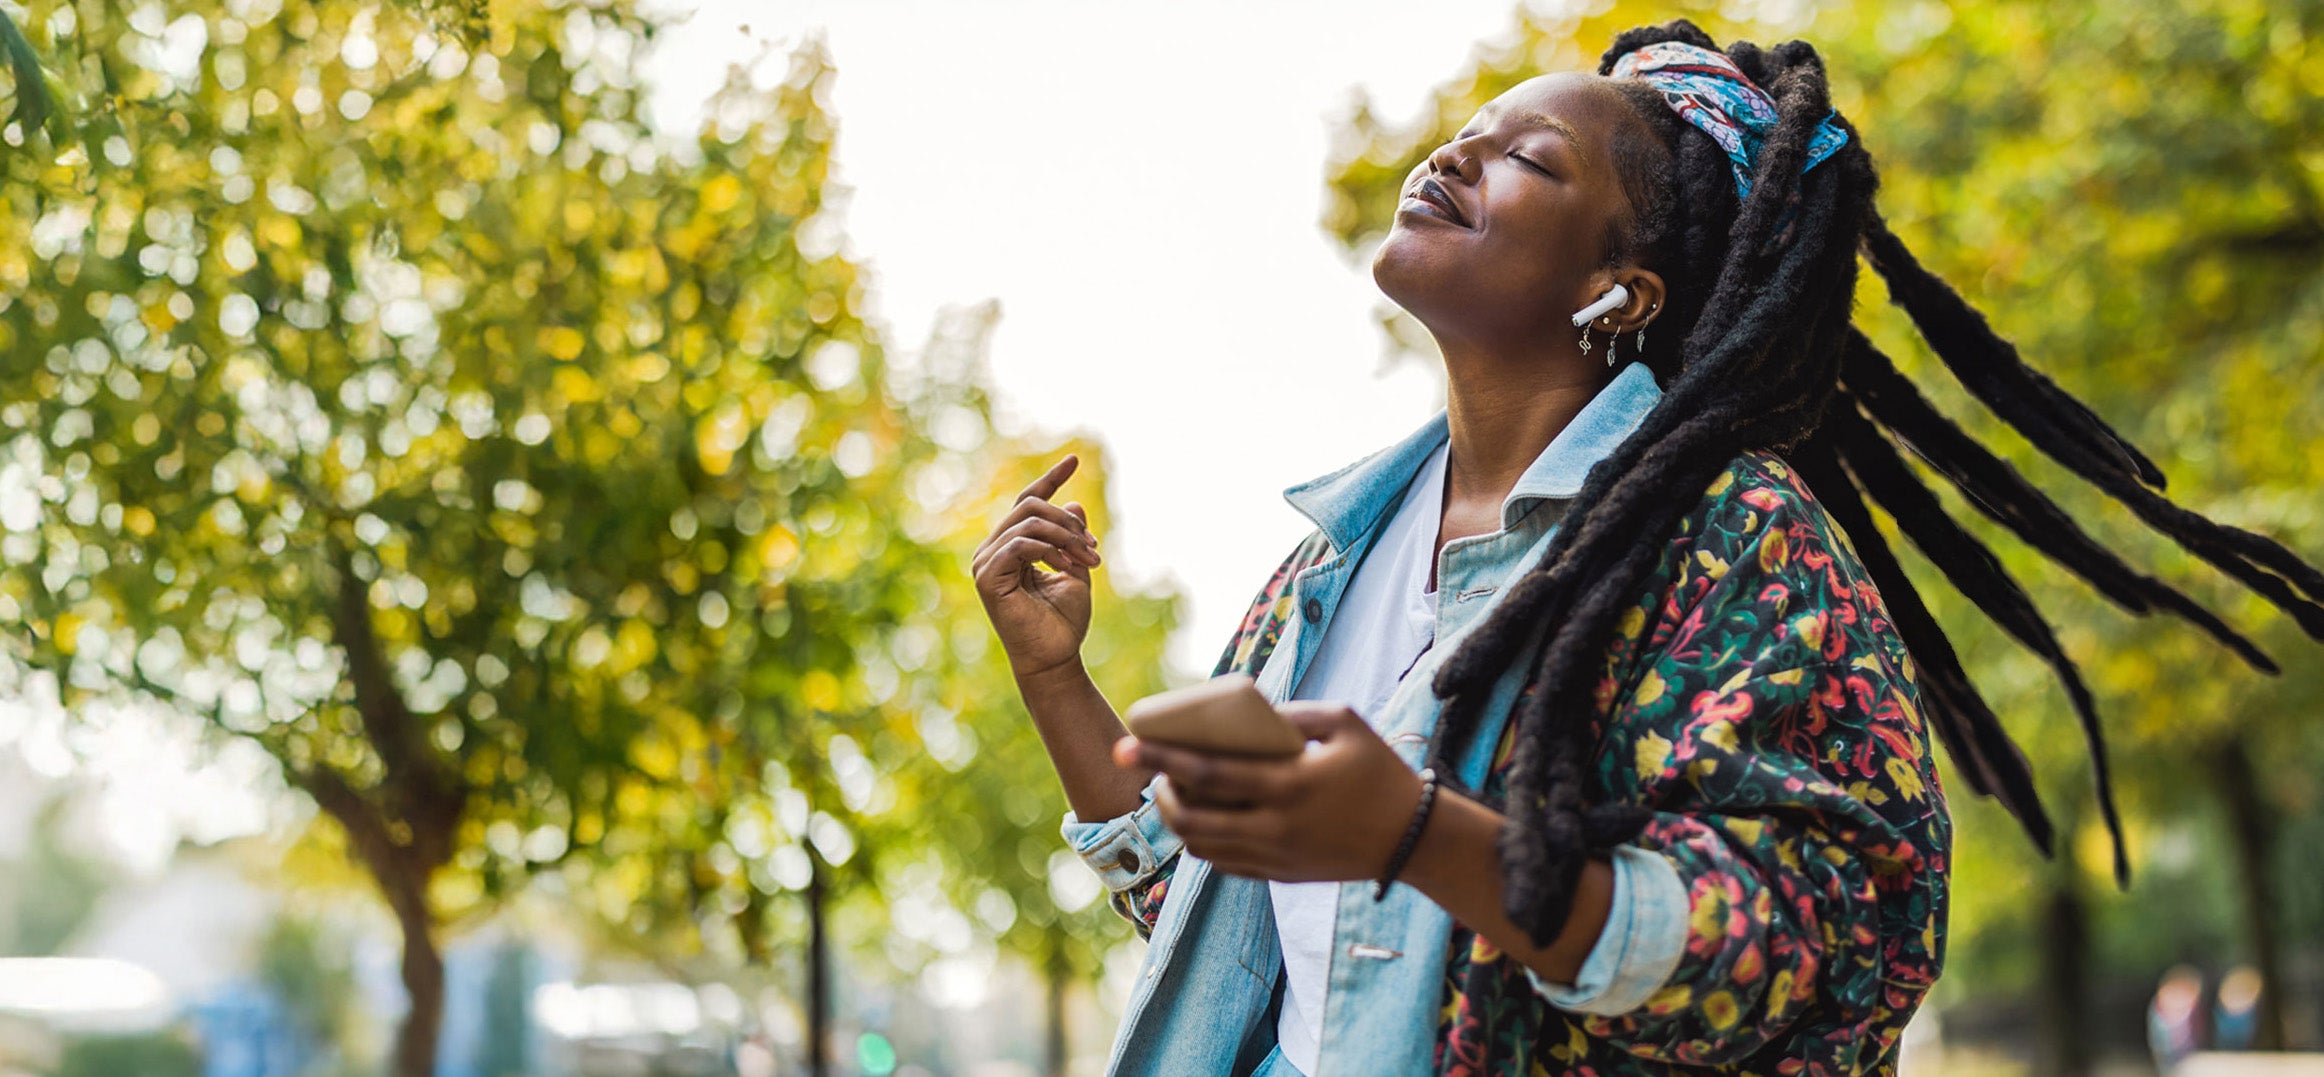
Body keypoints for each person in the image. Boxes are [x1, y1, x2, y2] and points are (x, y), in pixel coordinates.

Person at [968, 18, 2324, 1076]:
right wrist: (1057, 685)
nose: (1452, 155)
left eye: (1525, 157)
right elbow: (1232, 922)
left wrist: (1419, 834)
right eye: (1468, 131)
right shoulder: (1339, 554)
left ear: (1622, 289)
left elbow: (1812, 941)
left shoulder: (1737, 545)